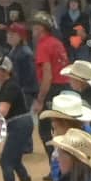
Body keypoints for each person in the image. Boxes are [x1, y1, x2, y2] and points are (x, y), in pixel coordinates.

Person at [0, 56, 36, 181]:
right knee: (15, 160)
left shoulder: (9, 87)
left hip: (19, 125)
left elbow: (2, 111)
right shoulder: (9, 85)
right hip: (22, 125)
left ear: (6, 71)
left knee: (5, 162)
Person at [33, 14, 71, 151]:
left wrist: (40, 99)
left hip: (53, 89)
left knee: (44, 130)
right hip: (66, 87)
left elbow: (47, 76)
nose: (33, 29)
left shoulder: (43, 46)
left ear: (41, 29)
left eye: (35, 27)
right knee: (63, 128)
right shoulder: (57, 43)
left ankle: (55, 165)